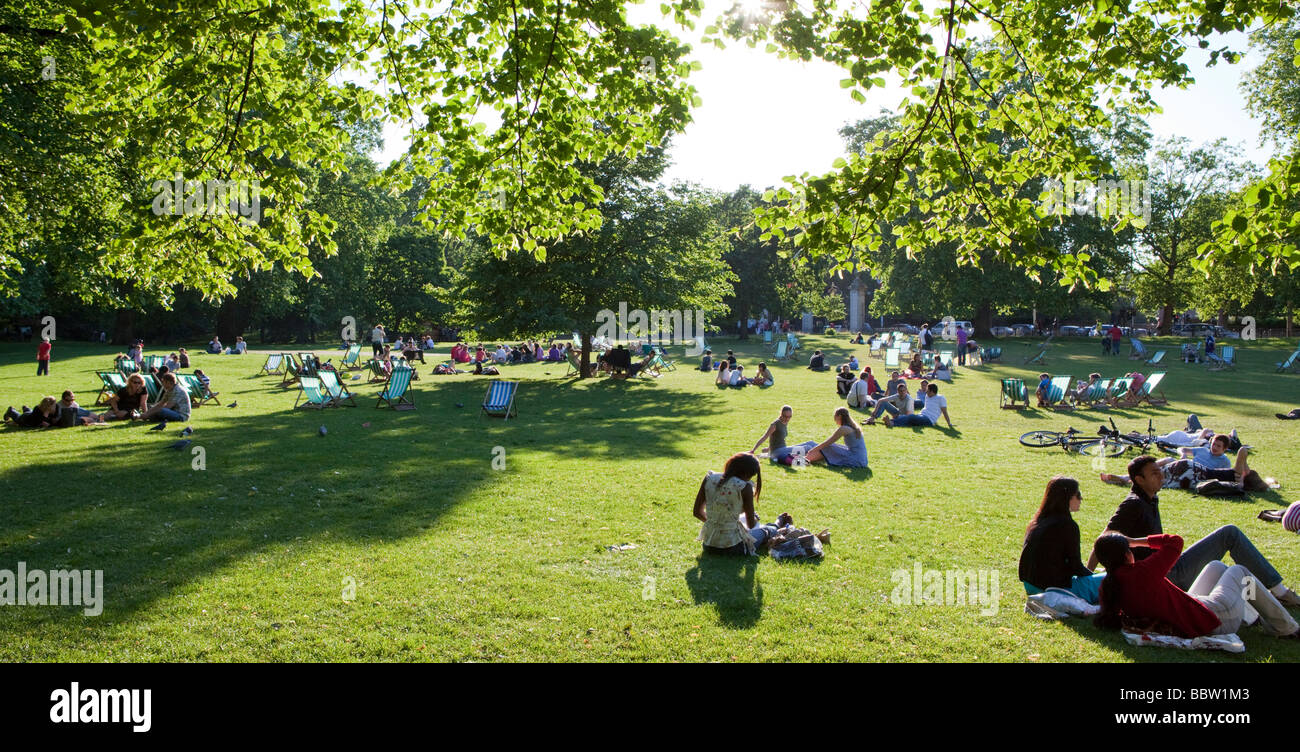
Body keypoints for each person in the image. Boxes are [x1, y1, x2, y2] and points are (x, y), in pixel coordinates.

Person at [1089, 455, 1300, 605]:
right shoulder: (1133, 503)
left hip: (1165, 568)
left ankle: (1268, 596)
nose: (1161, 476)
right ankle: (1280, 592)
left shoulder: (1149, 499)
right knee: (1230, 534)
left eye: (1160, 471)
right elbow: (1104, 538)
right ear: (1139, 480)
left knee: (1223, 567)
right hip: (1163, 576)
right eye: (1154, 474)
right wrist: (1088, 575)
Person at [1092, 533, 1299, 638]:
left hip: (1186, 614)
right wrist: (1135, 541)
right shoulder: (1143, 572)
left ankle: (1255, 616)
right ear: (1127, 554)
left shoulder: (1108, 584)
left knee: (1216, 566)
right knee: (1240, 572)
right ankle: (1286, 627)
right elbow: (1175, 542)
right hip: (1212, 623)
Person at [1019, 476, 1106, 603]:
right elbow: (1075, 566)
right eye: (1078, 494)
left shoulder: (1040, 520)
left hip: (1031, 585)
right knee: (1114, 579)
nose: (1081, 499)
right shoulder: (1067, 525)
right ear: (1067, 497)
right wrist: (1093, 577)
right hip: (1053, 589)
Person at [693, 452, 769, 555]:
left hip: (709, 545)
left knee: (741, 521)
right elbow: (751, 525)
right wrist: (755, 518)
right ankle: (778, 524)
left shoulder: (709, 478)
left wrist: (716, 524)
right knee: (767, 530)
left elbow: (697, 512)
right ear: (747, 474)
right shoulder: (744, 487)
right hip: (733, 547)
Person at [787, 407, 869, 468]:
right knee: (825, 447)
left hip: (857, 460)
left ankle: (800, 461)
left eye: (835, 417)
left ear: (839, 416)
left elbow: (828, 443)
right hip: (861, 459)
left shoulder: (844, 429)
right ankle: (799, 457)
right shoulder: (851, 427)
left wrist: (813, 450)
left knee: (828, 447)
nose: (834, 419)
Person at [885, 382, 953, 429]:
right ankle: (891, 421)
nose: (926, 392)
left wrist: (949, 423)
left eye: (928, 390)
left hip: (929, 420)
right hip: (922, 415)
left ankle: (892, 423)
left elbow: (944, 412)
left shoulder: (941, 398)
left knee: (911, 417)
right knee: (910, 420)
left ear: (932, 392)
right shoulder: (927, 396)